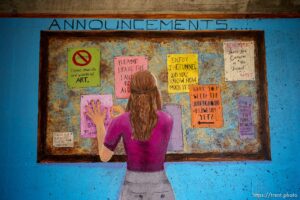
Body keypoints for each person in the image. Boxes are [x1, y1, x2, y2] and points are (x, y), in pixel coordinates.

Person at [86, 70, 175, 200]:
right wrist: (125, 116)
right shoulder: (168, 119)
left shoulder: (120, 121)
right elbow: (144, 123)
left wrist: (100, 123)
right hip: (161, 189)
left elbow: (104, 157)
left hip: (132, 189)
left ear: (131, 93)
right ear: (155, 91)